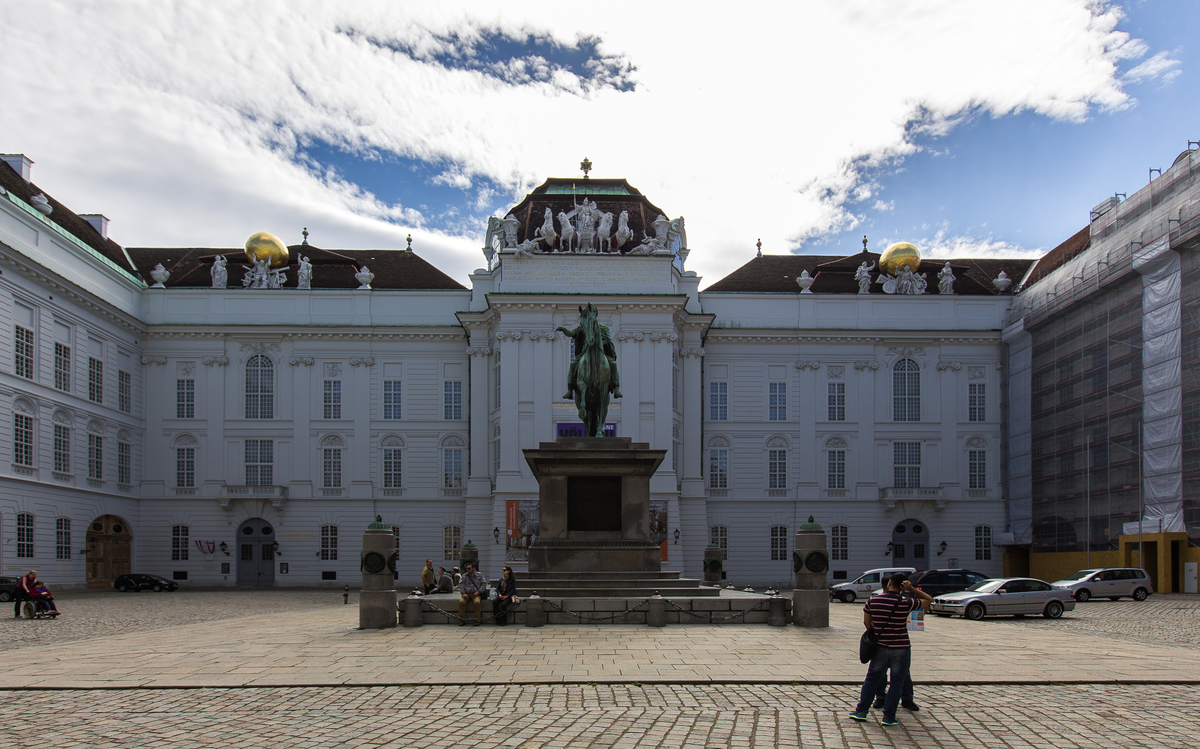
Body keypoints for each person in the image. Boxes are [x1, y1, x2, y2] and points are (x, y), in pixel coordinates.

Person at [850, 573, 932, 726]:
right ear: (902, 586)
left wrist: (877, 634)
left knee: (872, 679)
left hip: (881, 646)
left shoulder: (873, 600)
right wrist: (912, 589)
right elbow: (928, 600)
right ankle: (889, 716)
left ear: (888, 584)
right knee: (897, 682)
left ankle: (861, 711)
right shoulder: (906, 602)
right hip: (901, 647)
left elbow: (867, 622)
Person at [457, 562, 487, 626]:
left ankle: (477, 619)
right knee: (461, 602)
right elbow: (461, 585)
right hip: (467, 594)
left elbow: (483, 584)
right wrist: (463, 593)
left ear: (474, 568)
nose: (467, 570)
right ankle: (462, 619)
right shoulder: (464, 576)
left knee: (477, 602)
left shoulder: (480, 575)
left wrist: (479, 592)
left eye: (469, 568)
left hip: (476, 594)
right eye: (467, 568)